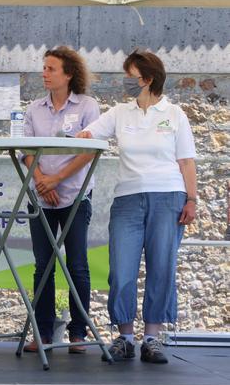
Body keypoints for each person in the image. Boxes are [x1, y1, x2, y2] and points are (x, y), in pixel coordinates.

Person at [78, 49, 197, 364]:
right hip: (128, 198)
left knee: (161, 267)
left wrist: (192, 199)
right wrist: (80, 134)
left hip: (169, 196)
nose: (125, 82)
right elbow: (91, 134)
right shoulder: (119, 112)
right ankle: (125, 337)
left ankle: (152, 338)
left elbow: (186, 160)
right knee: (122, 269)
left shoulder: (175, 114)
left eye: (130, 77)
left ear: (147, 78)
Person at [21, 47, 101, 354]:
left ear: (68, 74)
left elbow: (89, 151)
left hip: (75, 195)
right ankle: (43, 331)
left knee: (77, 264)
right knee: (43, 265)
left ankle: (78, 332)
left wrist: (57, 179)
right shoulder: (33, 109)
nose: (44, 73)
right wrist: (42, 181)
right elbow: (26, 151)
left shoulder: (87, 107)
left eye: (51, 68)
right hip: (42, 197)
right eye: (44, 67)